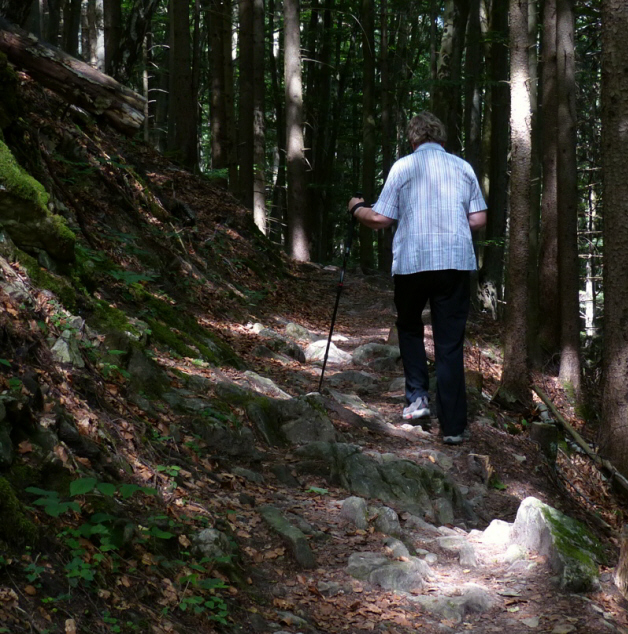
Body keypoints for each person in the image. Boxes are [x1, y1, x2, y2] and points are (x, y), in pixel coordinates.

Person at [347, 112, 487, 445]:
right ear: (442, 138)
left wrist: (356, 209)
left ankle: (417, 400)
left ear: (412, 140)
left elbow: (381, 219)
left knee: (409, 327)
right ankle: (453, 428)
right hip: (454, 262)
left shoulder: (404, 167)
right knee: (449, 343)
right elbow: (479, 218)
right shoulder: (462, 167)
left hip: (413, 262)